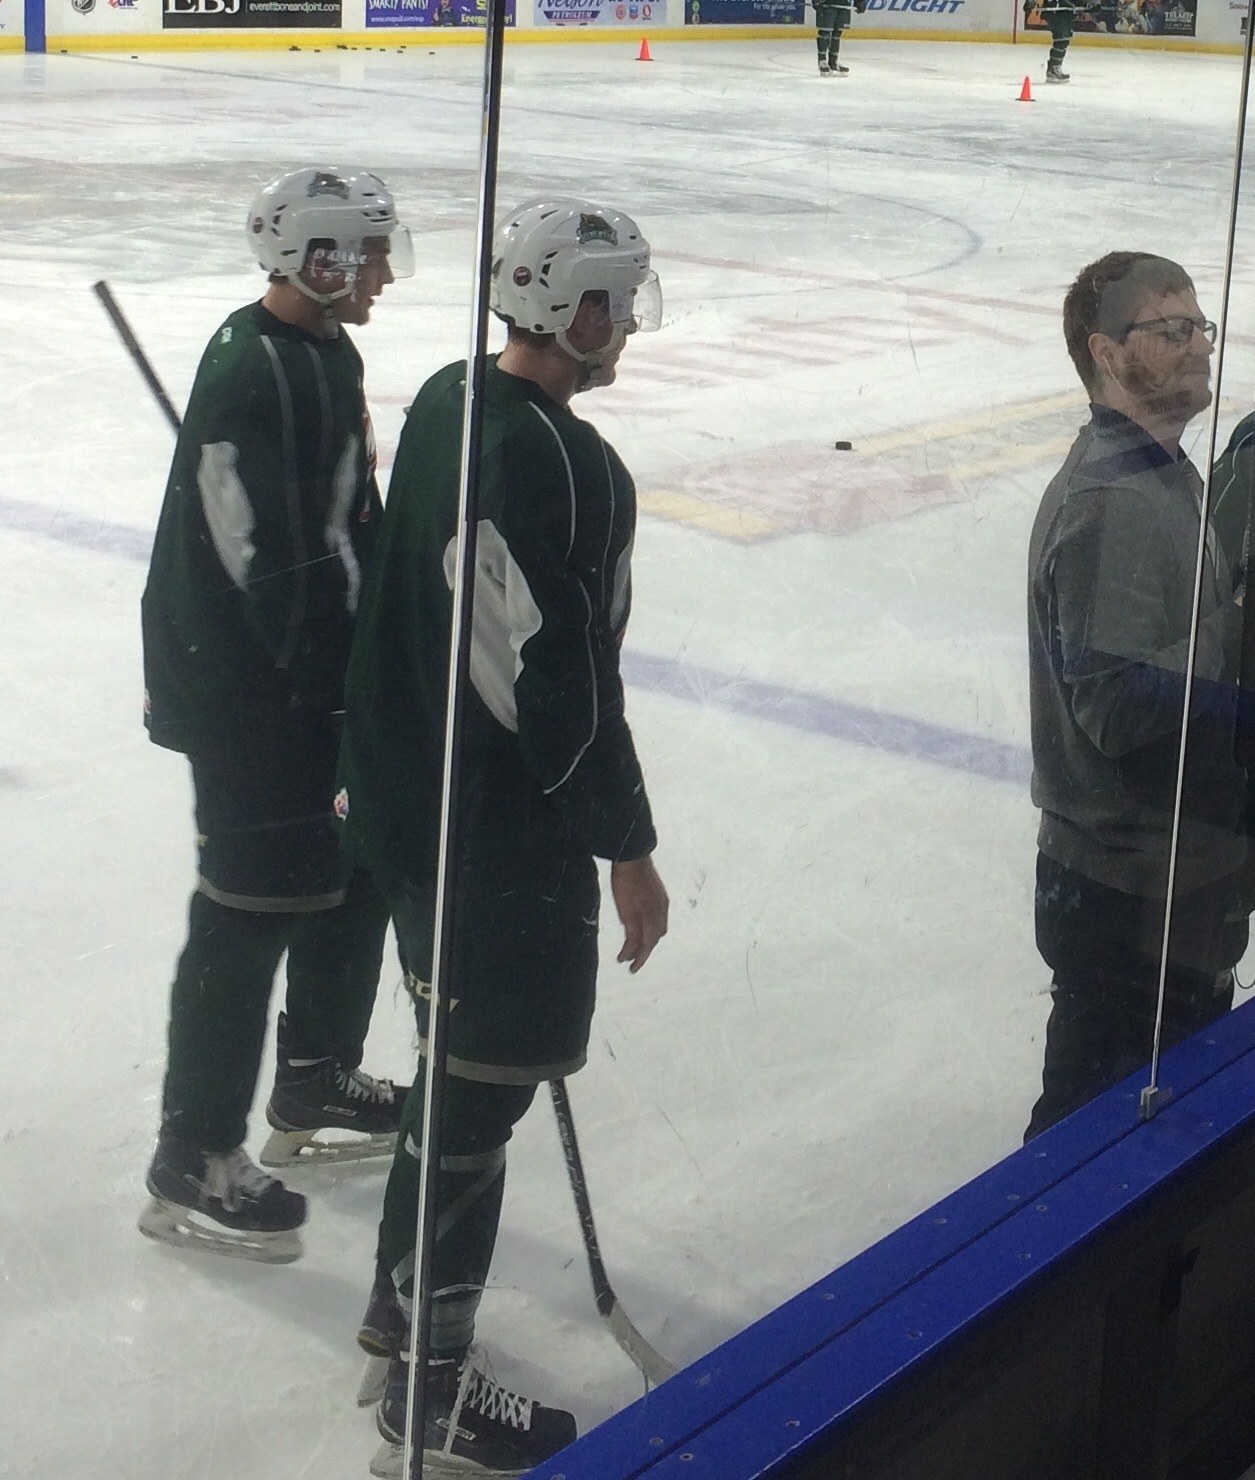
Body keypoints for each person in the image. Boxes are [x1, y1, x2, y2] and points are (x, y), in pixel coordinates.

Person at [340, 197, 670, 1476]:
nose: (625, 325)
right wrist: (627, 842)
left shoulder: (442, 396)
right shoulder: (567, 466)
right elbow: (556, 684)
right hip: (495, 841)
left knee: (457, 1057)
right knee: (482, 1092)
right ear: (570, 307)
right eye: (615, 300)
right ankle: (427, 1393)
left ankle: (394, 1301)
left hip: (411, 809)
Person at [137, 167, 413, 1266]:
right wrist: (339, 680)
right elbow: (261, 557)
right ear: (317, 259)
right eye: (368, 255)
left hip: (315, 675)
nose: (384, 275)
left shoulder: (322, 354)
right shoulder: (252, 371)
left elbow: (346, 515)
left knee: (357, 869)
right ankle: (192, 1155)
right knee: (249, 909)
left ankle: (314, 1074)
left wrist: (389, 619)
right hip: (249, 689)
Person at [1024, 251, 1255, 1140]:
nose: (1198, 346)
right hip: (1125, 895)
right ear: (1105, 352)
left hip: (1166, 879)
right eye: (1169, 331)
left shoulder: (1164, 474)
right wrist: (1240, 624)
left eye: (1199, 327)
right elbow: (1119, 710)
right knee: (1086, 1137)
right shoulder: (1112, 503)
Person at [1037, 0, 1077, 83]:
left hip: (1065, 13)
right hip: (1055, 12)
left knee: (1063, 41)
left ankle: (1053, 69)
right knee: (1061, 41)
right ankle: (1054, 69)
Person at [815, 0, 857, 74]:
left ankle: (833, 62)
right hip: (827, 3)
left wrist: (860, 1)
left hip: (845, 4)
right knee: (825, 31)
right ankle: (822, 60)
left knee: (837, 33)